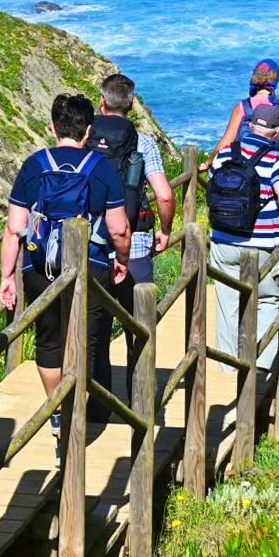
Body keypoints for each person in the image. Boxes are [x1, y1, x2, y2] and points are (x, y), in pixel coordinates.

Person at [0, 93, 134, 430]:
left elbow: (15, 227)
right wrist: (121, 260)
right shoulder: (100, 167)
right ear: (88, 131)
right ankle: (73, 416)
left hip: (38, 268)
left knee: (49, 341)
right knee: (84, 342)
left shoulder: (33, 164)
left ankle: (57, 412)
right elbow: (119, 228)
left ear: (52, 127)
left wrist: (6, 277)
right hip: (90, 268)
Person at [205, 97, 279, 390]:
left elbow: (212, 184)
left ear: (250, 124)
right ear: (277, 131)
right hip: (262, 245)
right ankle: (261, 367)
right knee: (268, 300)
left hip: (223, 242)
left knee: (228, 302)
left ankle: (229, 369)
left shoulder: (224, 155)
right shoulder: (275, 160)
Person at [86, 72, 176, 410]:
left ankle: (96, 408)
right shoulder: (144, 142)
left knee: (94, 331)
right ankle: (140, 404)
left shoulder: (86, 136)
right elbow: (164, 195)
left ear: (102, 102)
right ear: (132, 104)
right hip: (135, 246)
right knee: (138, 327)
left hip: (93, 249)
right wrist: (165, 232)